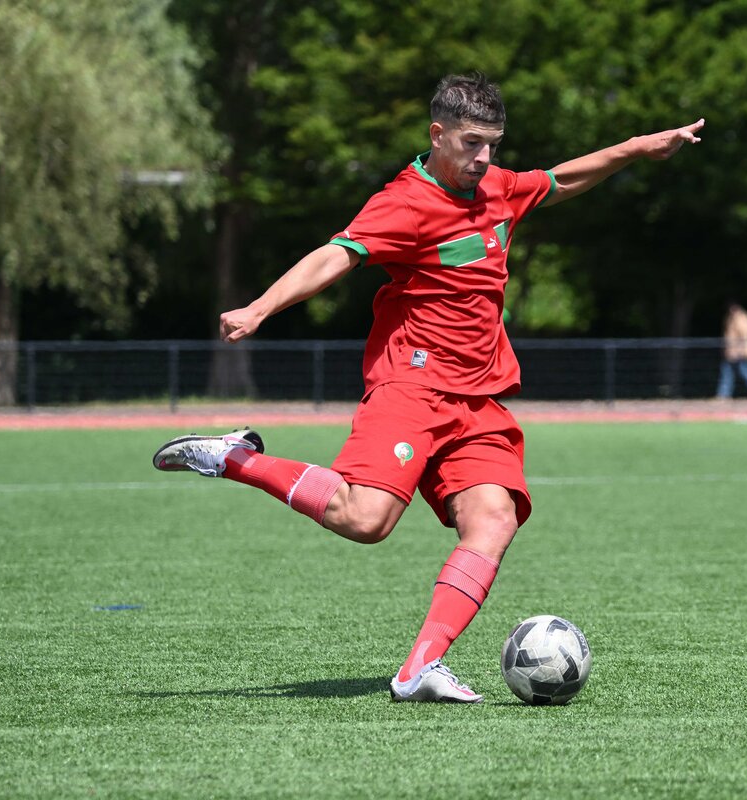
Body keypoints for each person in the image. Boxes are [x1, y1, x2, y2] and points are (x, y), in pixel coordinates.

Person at [151, 74, 704, 702]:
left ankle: (419, 668)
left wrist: (638, 148)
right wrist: (259, 308)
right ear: (437, 135)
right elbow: (335, 255)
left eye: (493, 144)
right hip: (411, 386)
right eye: (471, 144)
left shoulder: (497, 188)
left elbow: (560, 181)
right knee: (366, 519)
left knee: (494, 518)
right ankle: (236, 458)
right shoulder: (404, 203)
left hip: (478, 399)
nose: (484, 158)